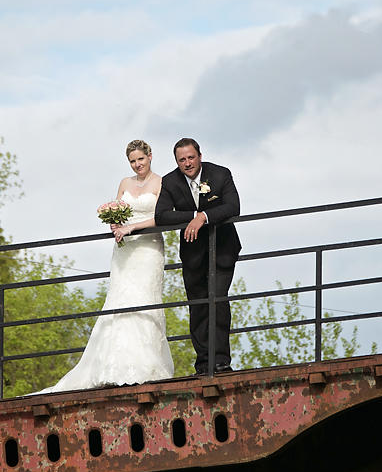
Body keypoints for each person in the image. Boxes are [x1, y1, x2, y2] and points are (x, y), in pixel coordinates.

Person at [35, 140, 174, 393]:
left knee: (144, 297)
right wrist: (115, 223)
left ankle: (147, 365)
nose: (137, 164)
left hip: (148, 246)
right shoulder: (125, 183)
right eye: (133, 161)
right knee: (119, 299)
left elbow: (162, 216)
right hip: (125, 250)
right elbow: (120, 210)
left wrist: (132, 227)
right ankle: (114, 365)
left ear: (150, 157)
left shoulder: (162, 183)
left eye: (140, 159)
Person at [155, 137, 241, 375]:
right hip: (192, 254)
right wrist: (191, 214)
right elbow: (161, 215)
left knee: (218, 300)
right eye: (182, 159)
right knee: (198, 306)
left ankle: (221, 362)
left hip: (223, 248)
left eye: (191, 157)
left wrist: (203, 217)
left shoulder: (221, 174)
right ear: (177, 162)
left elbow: (233, 206)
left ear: (200, 156)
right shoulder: (170, 181)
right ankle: (204, 363)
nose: (187, 163)